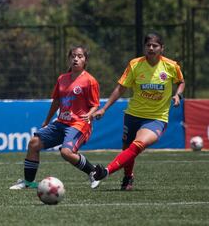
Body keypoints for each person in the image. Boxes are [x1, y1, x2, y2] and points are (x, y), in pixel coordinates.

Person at [92, 32, 185, 190]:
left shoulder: (171, 66)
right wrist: (104, 109)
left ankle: (106, 171)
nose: (151, 48)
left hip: (156, 118)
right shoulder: (135, 64)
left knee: (138, 144)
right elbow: (121, 88)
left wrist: (178, 95)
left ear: (162, 48)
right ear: (144, 48)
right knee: (127, 149)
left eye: (155, 45)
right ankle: (128, 178)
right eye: (148, 45)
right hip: (133, 115)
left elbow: (181, 82)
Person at [10, 45, 101, 190]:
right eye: (73, 56)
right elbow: (56, 101)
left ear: (85, 60)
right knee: (33, 143)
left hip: (79, 123)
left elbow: (95, 104)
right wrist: (46, 121)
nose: (76, 59)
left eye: (80, 56)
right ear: (68, 59)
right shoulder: (62, 79)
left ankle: (93, 171)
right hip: (61, 122)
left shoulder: (90, 81)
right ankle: (28, 182)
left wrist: (90, 114)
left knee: (66, 152)